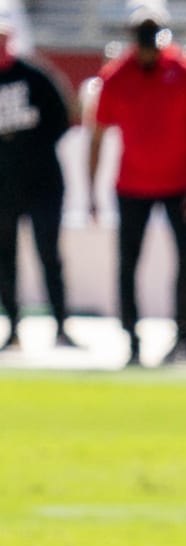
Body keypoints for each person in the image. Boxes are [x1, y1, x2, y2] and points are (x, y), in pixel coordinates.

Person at [88, 0, 186, 367]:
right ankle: (131, 337)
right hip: (132, 183)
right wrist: (93, 190)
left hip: (179, 182)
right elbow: (97, 135)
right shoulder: (116, 75)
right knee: (128, 263)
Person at [0, 7, 75, 351]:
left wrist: (26, 148)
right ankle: (12, 328)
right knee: (5, 258)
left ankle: (61, 327)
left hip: (43, 182)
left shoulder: (36, 76)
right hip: (3, 188)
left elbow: (62, 117)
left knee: (49, 253)